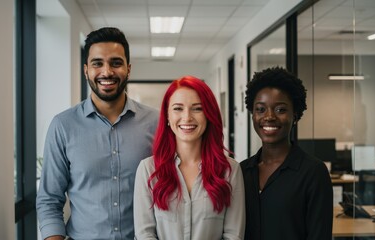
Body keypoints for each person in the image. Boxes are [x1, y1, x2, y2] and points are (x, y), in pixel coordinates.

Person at [36, 27, 158, 240]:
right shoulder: (63, 126)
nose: (107, 72)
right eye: (97, 63)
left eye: (116, 63)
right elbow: (49, 199)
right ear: (86, 70)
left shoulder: (155, 123)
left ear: (128, 69)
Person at [133, 76, 245, 240]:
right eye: (178, 108)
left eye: (197, 109)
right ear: (167, 116)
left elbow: (233, 235)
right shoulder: (148, 169)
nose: (187, 117)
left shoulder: (230, 170)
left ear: (208, 115)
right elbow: (145, 234)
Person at [240, 66, 333, 240]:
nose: (269, 117)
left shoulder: (313, 172)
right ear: (253, 115)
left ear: (295, 115)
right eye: (260, 109)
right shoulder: (242, 171)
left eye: (280, 110)